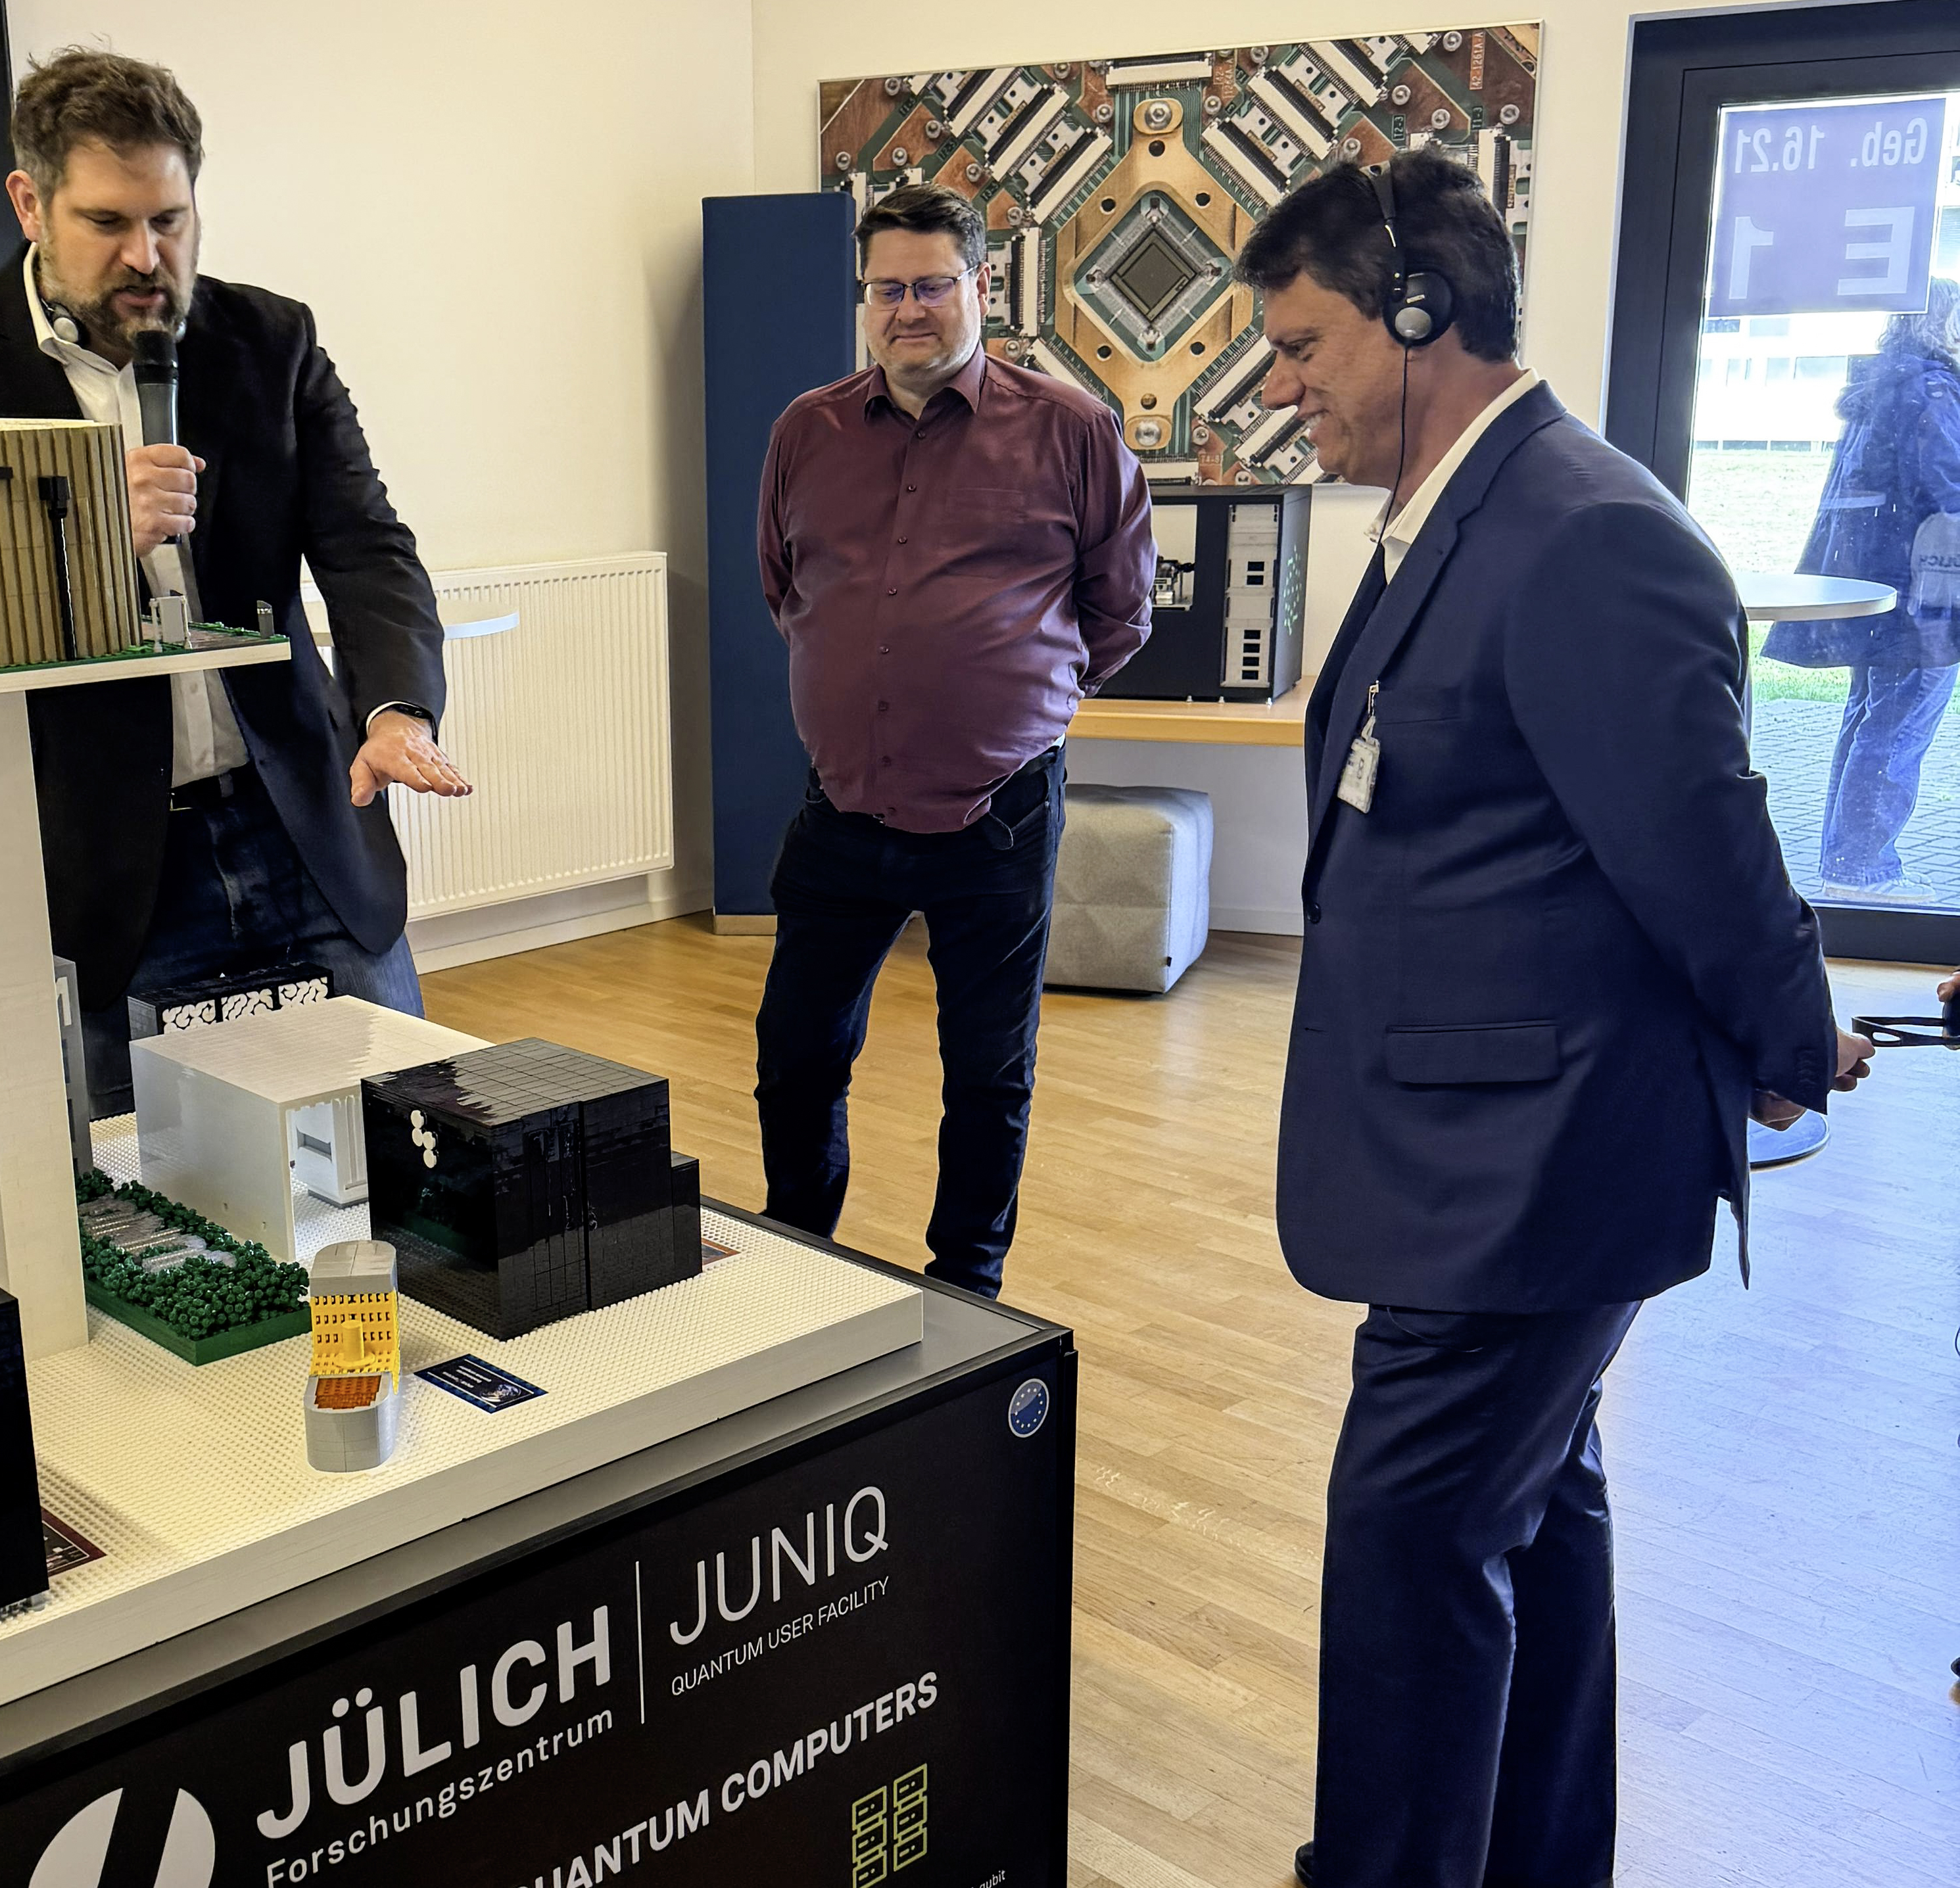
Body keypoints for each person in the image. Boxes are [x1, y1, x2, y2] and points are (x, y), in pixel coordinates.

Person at [1241, 150, 1875, 1888]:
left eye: (1300, 347)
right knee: (1533, 1516)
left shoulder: (1585, 534)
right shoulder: (1457, 516)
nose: (1280, 391)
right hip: (1476, 1149)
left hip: (1536, 1172)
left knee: (1412, 1544)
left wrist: (1790, 1039)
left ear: (1419, 315)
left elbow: (1706, 851)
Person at [0, 49, 468, 1114]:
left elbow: (368, 547)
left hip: (302, 823)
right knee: (143, 1181)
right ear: (30, 205)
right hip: (106, 865)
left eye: (171, 220)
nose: (146, 256)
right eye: (107, 222)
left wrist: (396, 711)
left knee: (405, 1141)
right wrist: (94, 535)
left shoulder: (272, 339)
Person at [752, 183, 1154, 1300]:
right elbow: (786, 589)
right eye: (886, 290)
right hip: (841, 809)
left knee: (987, 1073)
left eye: (931, 285)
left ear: (981, 285)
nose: (908, 310)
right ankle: (798, 1255)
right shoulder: (806, 431)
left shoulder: (1071, 430)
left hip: (999, 815)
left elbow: (1120, 611)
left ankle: (968, 1285)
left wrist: (1015, 701)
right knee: (796, 1055)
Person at [1767, 277, 1960, 904]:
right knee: (1898, 728)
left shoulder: (1886, 386)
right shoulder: (1930, 391)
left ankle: (1845, 863)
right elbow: (1950, 488)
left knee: (1872, 721)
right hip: (1923, 596)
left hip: (1880, 585)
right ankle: (1861, 871)